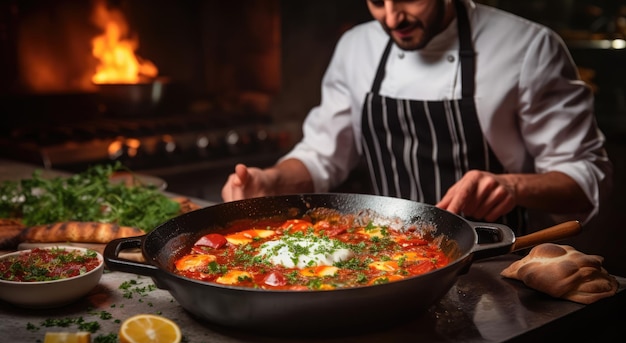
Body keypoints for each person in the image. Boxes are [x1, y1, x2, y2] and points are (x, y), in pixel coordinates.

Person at [221, 0, 613, 235]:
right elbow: (323, 155)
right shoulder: (356, 46)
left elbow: (583, 179)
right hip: (383, 255)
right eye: (377, 1)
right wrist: (271, 180)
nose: (392, 19)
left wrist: (511, 185)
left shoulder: (528, 47)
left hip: (499, 259)